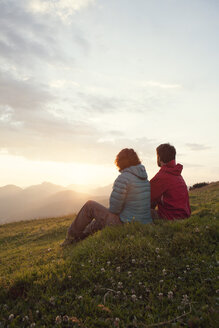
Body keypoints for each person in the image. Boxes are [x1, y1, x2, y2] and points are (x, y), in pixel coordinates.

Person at [61, 148, 152, 246]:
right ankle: (81, 237)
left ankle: (71, 237)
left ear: (120, 162)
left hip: (125, 225)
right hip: (143, 224)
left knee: (90, 206)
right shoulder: (144, 178)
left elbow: (114, 209)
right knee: (101, 218)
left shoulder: (123, 178)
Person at [150, 143, 191, 220]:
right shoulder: (177, 174)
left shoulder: (162, 176)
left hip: (170, 217)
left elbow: (146, 195)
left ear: (159, 158)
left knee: (141, 213)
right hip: (184, 216)